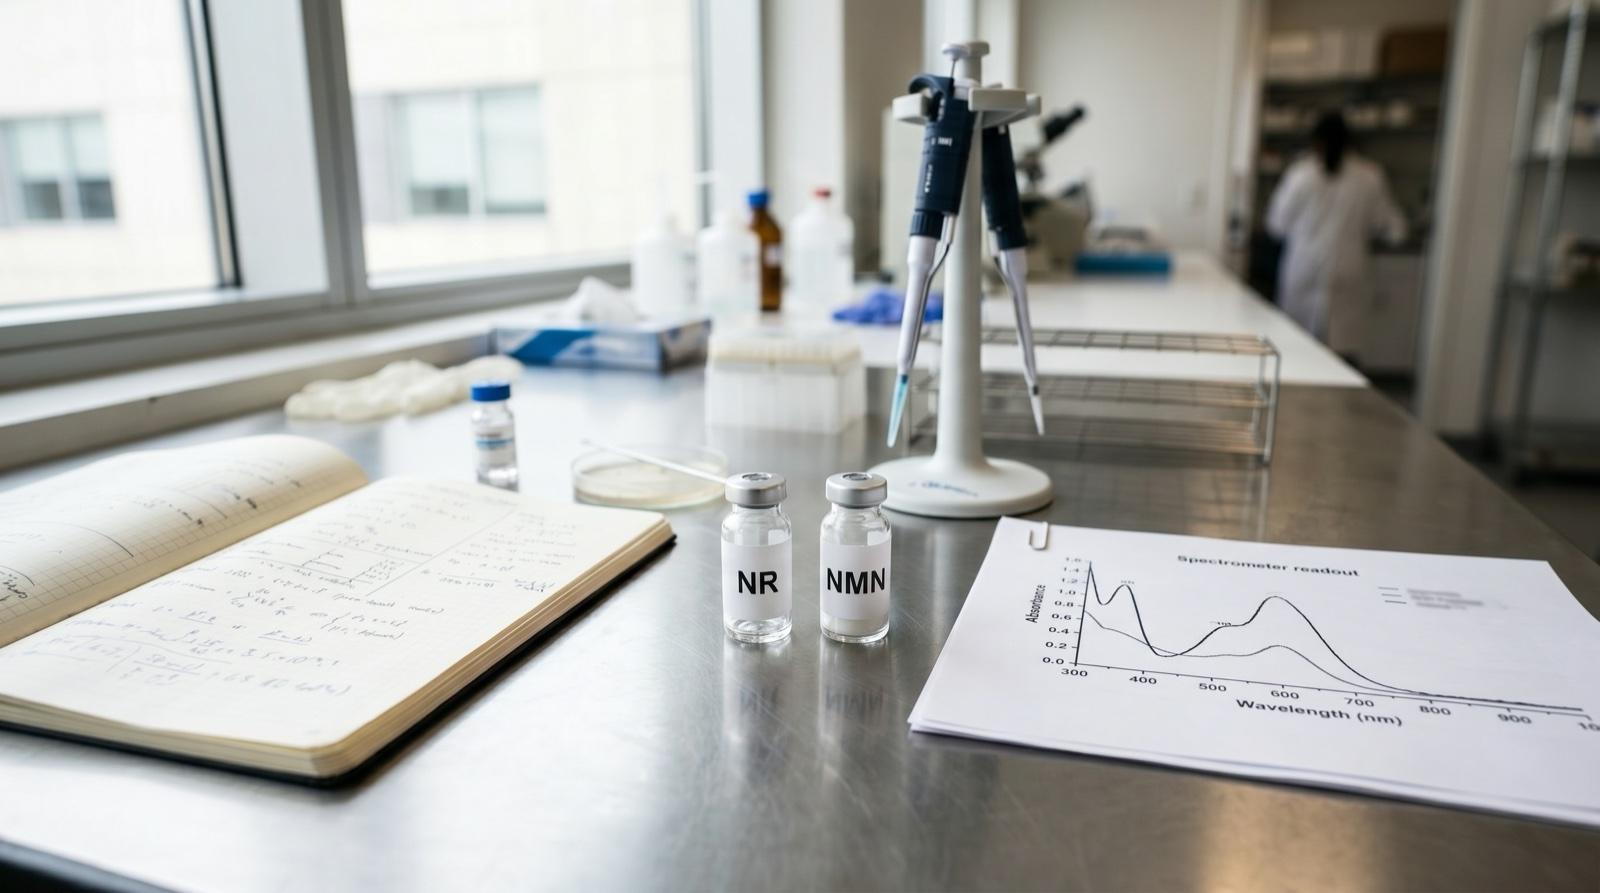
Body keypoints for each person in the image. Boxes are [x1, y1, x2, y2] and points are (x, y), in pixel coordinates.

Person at [1266, 112, 1407, 348]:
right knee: (1340, 351)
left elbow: (1276, 225)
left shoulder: (1300, 175)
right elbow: (1393, 228)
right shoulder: (1369, 176)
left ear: (1315, 142)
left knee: (1295, 348)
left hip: (1304, 269)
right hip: (1347, 270)